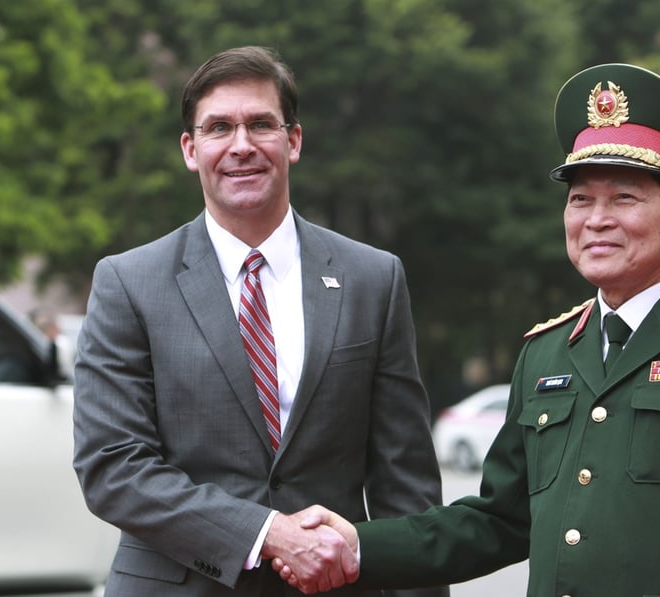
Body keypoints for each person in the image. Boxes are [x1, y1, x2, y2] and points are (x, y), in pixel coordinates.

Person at [281, 63, 660, 596]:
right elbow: (498, 521)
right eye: (579, 200)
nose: (595, 219)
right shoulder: (548, 352)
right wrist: (359, 547)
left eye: (623, 197)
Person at [72, 45, 448, 597]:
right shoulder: (128, 283)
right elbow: (113, 468)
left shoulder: (374, 278)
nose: (241, 146)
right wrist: (267, 532)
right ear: (190, 149)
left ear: (292, 141)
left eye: (261, 125)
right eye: (219, 127)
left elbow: (406, 484)